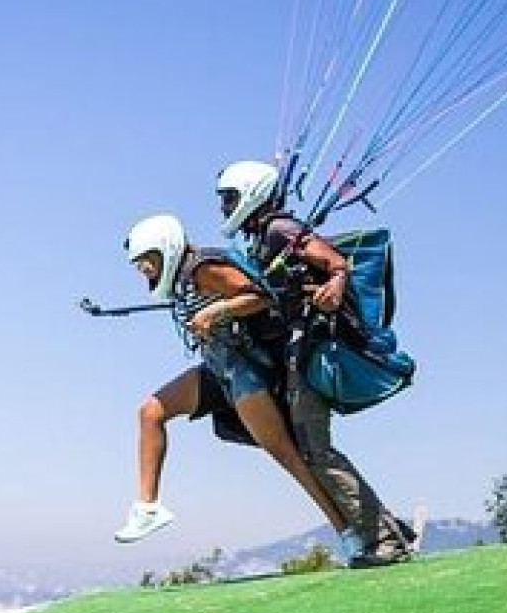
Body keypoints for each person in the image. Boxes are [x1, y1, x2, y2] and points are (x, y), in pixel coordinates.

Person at [115, 213, 362, 556]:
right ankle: (147, 508)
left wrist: (213, 314)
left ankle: (348, 534)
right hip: (218, 369)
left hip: (246, 373)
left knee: (288, 455)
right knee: (150, 412)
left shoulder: (204, 268)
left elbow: (259, 296)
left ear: (167, 249)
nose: (146, 271)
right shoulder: (183, 279)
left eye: (148, 262)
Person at [215, 160, 416, 567]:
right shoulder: (262, 236)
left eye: (230, 198)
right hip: (299, 350)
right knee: (311, 448)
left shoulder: (279, 230)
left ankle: (386, 540)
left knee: (316, 450)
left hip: (311, 346)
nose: (224, 208)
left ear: (252, 194)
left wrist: (335, 284)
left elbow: (337, 262)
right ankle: (389, 528)